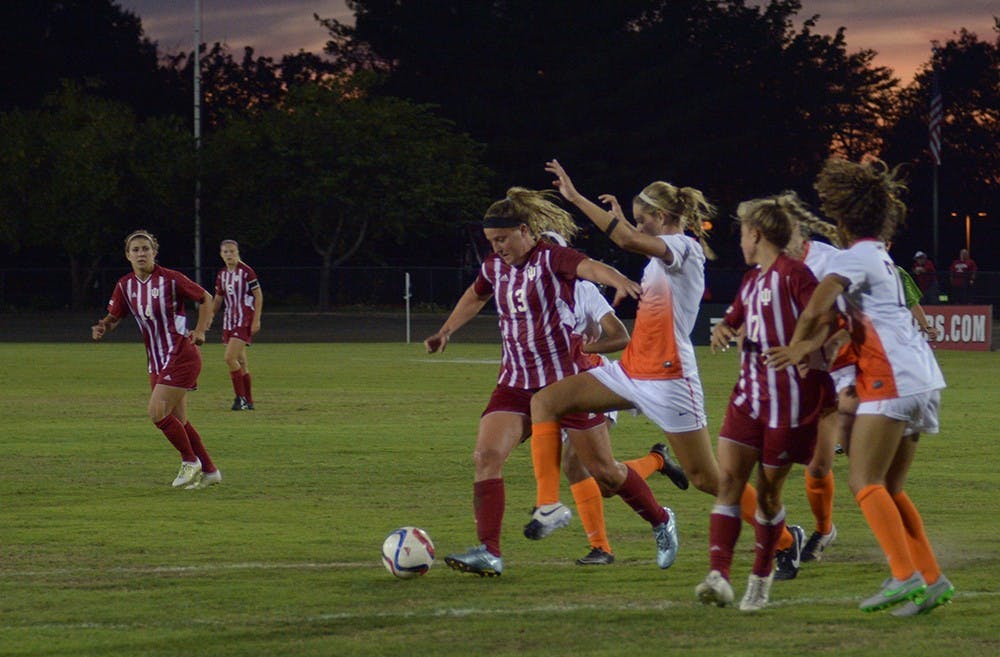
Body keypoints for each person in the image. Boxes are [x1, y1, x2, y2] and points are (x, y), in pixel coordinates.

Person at [536, 160, 804, 577]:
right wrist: (626, 220)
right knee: (547, 401)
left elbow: (626, 239)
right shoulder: (663, 252)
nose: (639, 228)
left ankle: (786, 539)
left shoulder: (684, 247)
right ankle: (548, 504)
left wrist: (575, 199)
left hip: (669, 378)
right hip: (630, 370)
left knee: (708, 478)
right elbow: (634, 239)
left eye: (644, 220)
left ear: (661, 217)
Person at [424, 187, 652, 577]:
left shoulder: (551, 258)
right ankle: (489, 551)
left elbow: (590, 267)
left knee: (604, 473)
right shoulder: (495, 267)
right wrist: (446, 330)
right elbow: (475, 295)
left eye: (502, 239)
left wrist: (619, 279)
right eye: (491, 242)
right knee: (485, 457)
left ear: (525, 231)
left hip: (565, 387)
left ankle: (661, 518)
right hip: (514, 383)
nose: (496, 248)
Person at [766, 158, 953, 616]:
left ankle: (901, 574)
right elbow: (838, 318)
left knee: (863, 481)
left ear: (843, 217)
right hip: (923, 378)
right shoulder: (880, 255)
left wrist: (795, 347)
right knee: (890, 487)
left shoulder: (851, 257)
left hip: (893, 379)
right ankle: (931, 578)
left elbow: (817, 307)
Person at [696, 193, 836, 611]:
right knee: (729, 481)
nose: (739, 240)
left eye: (742, 232)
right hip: (748, 396)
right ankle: (718, 574)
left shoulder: (796, 275)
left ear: (756, 234)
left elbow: (831, 321)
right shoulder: (752, 279)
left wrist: (801, 349)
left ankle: (761, 573)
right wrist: (725, 330)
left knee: (769, 493)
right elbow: (736, 316)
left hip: (789, 402)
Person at [540, 231, 689, 566]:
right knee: (605, 481)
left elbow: (620, 336)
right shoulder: (532, 293)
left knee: (579, 465)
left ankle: (604, 547)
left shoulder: (584, 289)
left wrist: (585, 347)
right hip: (555, 391)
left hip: (591, 387)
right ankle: (657, 461)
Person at [91, 230, 222, 490]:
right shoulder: (125, 285)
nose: (141, 253)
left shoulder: (171, 280)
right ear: (128, 255)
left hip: (181, 355)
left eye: (145, 249)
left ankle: (190, 461)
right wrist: (104, 325)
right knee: (180, 421)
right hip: (157, 362)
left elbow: (205, 298)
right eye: (136, 249)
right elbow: (116, 315)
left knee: (156, 412)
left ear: (154, 253)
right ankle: (209, 470)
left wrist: (201, 330)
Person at [212, 239, 263, 410]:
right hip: (229, 320)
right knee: (241, 362)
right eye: (225, 252)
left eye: (232, 251)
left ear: (237, 252)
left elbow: (258, 295)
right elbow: (219, 298)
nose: (229, 255)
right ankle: (248, 401)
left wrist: (256, 319)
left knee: (229, 357)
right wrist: (208, 316)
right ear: (221, 254)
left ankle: (239, 398)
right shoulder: (222, 274)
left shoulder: (246, 272)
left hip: (244, 319)